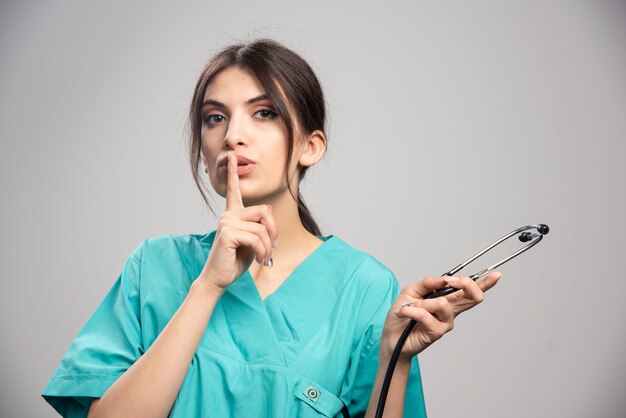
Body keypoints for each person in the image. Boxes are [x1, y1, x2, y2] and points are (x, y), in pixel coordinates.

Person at [42, 39, 501, 418]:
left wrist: (395, 358)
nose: (232, 135)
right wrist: (208, 286)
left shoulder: (364, 288)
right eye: (214, 118)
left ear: (311, 146)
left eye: (264, 113)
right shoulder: (155, 268)